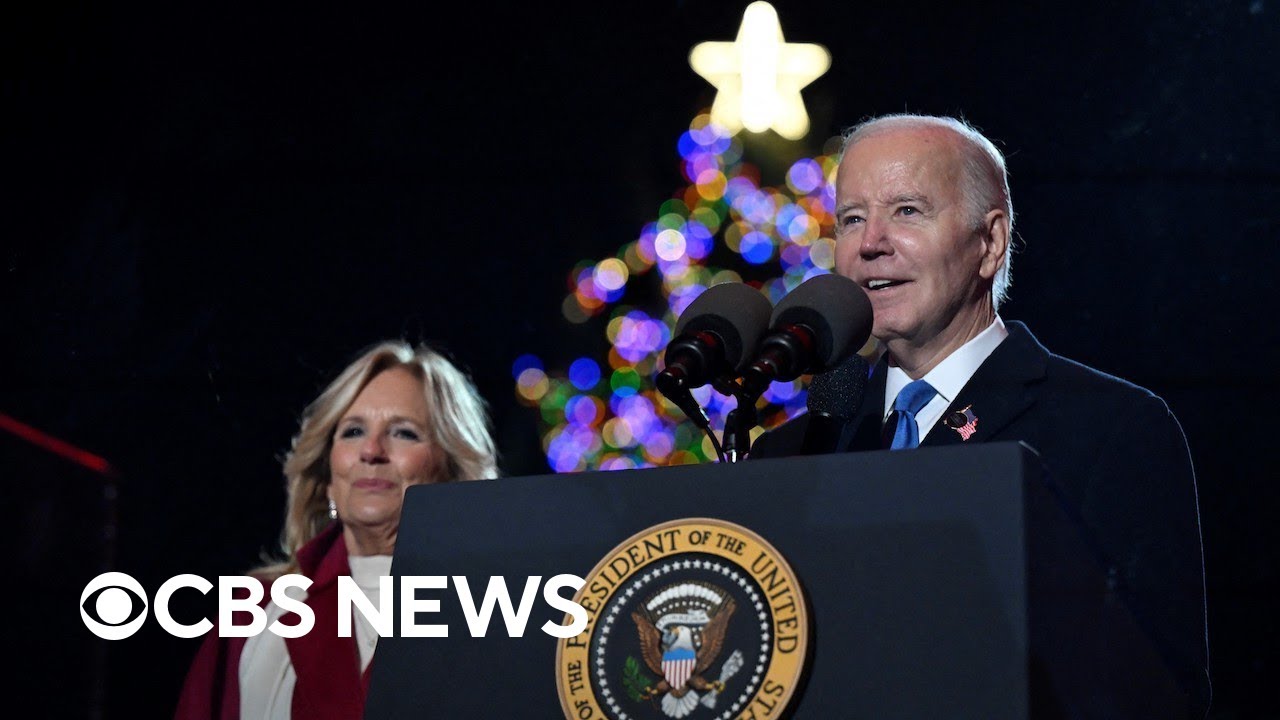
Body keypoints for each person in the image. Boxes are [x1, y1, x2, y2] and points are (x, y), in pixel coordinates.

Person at [750, 114, 1210, 718]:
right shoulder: (794, 452)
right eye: (852, 219)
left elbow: (1155, 692)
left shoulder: (1111, 429)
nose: (870, 244)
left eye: (908, 211)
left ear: (989, 242)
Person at [174, 340, 498, 720]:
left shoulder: (495, 612)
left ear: (453, 472)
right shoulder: (253, 612)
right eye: (353, 431)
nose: (371, 450)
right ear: (328, 476)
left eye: (404, 433)